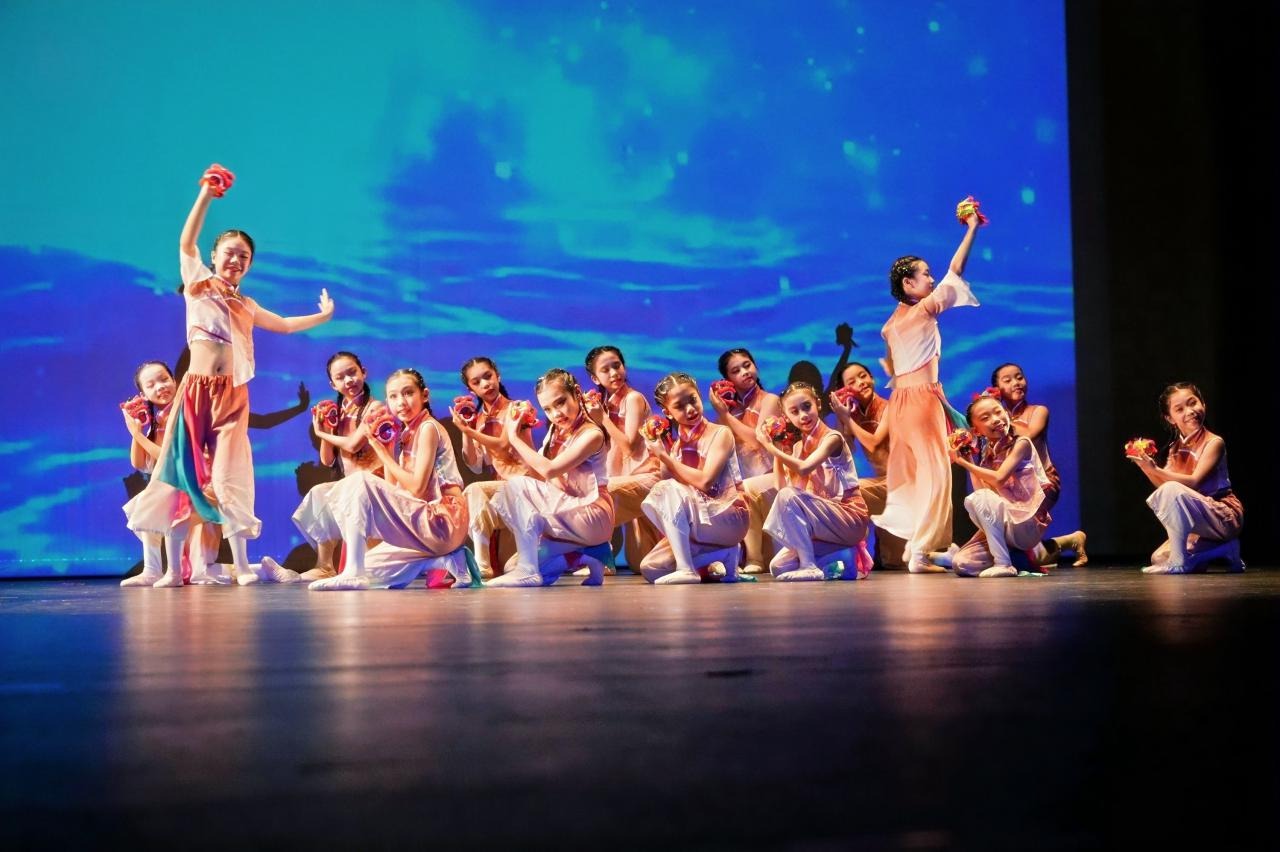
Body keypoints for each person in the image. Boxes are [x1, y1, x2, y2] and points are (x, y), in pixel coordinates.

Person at [125, 164, 332, 585]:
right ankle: (168, 569)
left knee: (228, 476)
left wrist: (323, 315)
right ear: (215, 256)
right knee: (181, 475)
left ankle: (240, 563)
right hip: (195, 392)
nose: (236, 260)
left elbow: (284, 324)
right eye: (230, 252)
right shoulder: (198, 284)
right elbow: (186, 242)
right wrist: (206, 193)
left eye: (244, 256)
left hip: (232, 395)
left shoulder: (247, 305)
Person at [874, 199, 984, 573]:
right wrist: (972, 229)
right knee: (936, 474)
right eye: (925, 275)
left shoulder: (890, 324)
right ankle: (921, 551)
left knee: (914, 474)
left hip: (901, 402)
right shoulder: (922, 311)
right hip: (921, 400)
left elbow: (894, 365)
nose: (932, 279)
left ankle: (916, 547)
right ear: (908, 283)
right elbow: (957, 270)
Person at [308, 369, 475, 590]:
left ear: (424, 395)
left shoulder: (428, 428)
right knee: (369, 568)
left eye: (408, 393)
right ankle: (447, 561)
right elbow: (393, 488)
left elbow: (417, 488)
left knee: (360, 481)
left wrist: (381, 452)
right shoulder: (405, 434)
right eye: (393, 397)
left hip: (444, 520)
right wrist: (387, 447)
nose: (401, 402)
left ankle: (353, 573)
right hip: (427, 522)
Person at [486, 369, 616, 587]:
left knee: (516, 485)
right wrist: (524, 435)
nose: (556, 414)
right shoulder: (556, 432)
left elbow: (549, 470)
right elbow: (540, 473)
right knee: (512, 566)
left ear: (576, 393)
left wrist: (513, 438)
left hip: (591, 514)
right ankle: (588, 556)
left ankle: (528, 571)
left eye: (560, 402)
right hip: (570, 511)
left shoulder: (592, 434)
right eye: (547, 409)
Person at [638, 373, 748, 584]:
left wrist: (664, 457)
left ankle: (686, 568)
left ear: (699, 395)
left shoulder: (721, 433)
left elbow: (706, 482)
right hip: (699, 521)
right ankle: (723, 554)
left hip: (728, 516)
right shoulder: (677, 446)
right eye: (679, 406)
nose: (690, 409)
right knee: (651, 568)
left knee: (665, 489)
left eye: (693, 400)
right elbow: (668, 487)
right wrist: (664, 449)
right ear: (667, 413)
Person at [759, 383, 872, 581]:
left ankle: (809, 565)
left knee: (788, 497)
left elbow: (804, 468)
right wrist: (778, 446)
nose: (803, 415)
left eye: (806, 407)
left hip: (849, 517)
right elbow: (781, 489)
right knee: (778, 567)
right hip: (824, 522)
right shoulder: (798, 448)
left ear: (818, 404)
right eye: (794, 412)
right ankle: (842, 557)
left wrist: (769, 447)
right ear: (786, 417)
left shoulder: (832, 438)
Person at [287, 351, 384, 581]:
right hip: (352, 485)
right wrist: (327, 429)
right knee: (319, 493)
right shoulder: (340, 412)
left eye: (352, 373)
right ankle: (324, 566)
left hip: (374, 483)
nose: (348, 380)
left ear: (363, 372)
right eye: (340, 377)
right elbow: (327, 460)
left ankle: (363, 565)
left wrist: (320, 433)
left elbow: (352, 444)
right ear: (333, 384)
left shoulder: (375, 408)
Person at [1128, 383, 1244, 574]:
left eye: (1193, 403)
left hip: (1223, 515)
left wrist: (1155, 468)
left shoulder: (1214, 442)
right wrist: (1146, 468)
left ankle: (1180, 560)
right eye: (1179, 409)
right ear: (1170, 418)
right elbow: (1164, 488)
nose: (1189, 411)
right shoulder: (1175, 447)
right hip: (1200, 520)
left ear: (1203, 404)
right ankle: (1225, 549)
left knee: (1171, 491)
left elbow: (1194, 481)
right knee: (1158, 558)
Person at [120, 361, 217, 586]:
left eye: (164, 379)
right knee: (147, 501)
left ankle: (263, 570)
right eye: (151, 385)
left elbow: (172, 459)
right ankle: (152, 569)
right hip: (180, 491)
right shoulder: (160, 419)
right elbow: (139, 463)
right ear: (143, 395)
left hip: (203, 490)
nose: (160, 387)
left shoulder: (188, 411)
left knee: (201, 573)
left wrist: (138, 435)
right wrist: (138, 429)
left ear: (174, 380)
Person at [990, 362, 1087, 567]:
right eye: (1008, 380)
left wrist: (994, 416)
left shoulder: (1038, 411)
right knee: (1011, 547)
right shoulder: (995, 420)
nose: (1017, 382)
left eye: (1019, 377)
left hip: (1042, 485)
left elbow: (1028, 434)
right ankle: (1069, 541)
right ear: (997, 389)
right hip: (1011, 488)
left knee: (1014, 546)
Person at [948, 395, 1051, 578]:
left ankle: (1004, 563)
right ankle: (1017, 558)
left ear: (1006, 414)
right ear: (976, 431)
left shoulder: (1022, 443)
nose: (996, 419)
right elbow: (983, 494)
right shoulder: (988, 452)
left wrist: (962, 463)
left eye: (998, 412)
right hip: (1008, 522)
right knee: (962, 564)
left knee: (976, 499)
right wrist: (968, 457)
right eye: (985, 418)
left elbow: (999, 479)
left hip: (1026, 524)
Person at [453, 356, 534, 577]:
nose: (485, 384)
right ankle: (483, 563)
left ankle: (481, 565)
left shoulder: (518, 408)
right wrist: (466, 430)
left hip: (526, 486)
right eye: (476, 382)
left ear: (497, 375)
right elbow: (475, 465)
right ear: (471, 389)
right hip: (502, 492)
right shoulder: (479, 420)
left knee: (475, 490)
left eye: (488, 376)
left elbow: (504, 445)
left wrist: (469, 431)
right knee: (509, 567)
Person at [583, 345, 661, 572]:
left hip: (645, 477)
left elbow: (629, 447)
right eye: (605, 370)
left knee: (601, 495)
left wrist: (603, 419)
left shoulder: (633, 399)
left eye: (616, 366)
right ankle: (604, 558)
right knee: (640, 563)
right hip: (623, 480)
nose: (614, 373)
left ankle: (600, 560)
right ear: (595, 378)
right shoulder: (603, 405)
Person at [709, 348, 781, 574]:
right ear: (727, 380)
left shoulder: (770, 400)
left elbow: (758, 440)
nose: (744, 372)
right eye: (736, 370)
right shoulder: (728, 411)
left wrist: (725, 416)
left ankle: (754, 558)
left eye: (747, 365)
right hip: (748, 484)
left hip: (776, 477)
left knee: (746, 489)